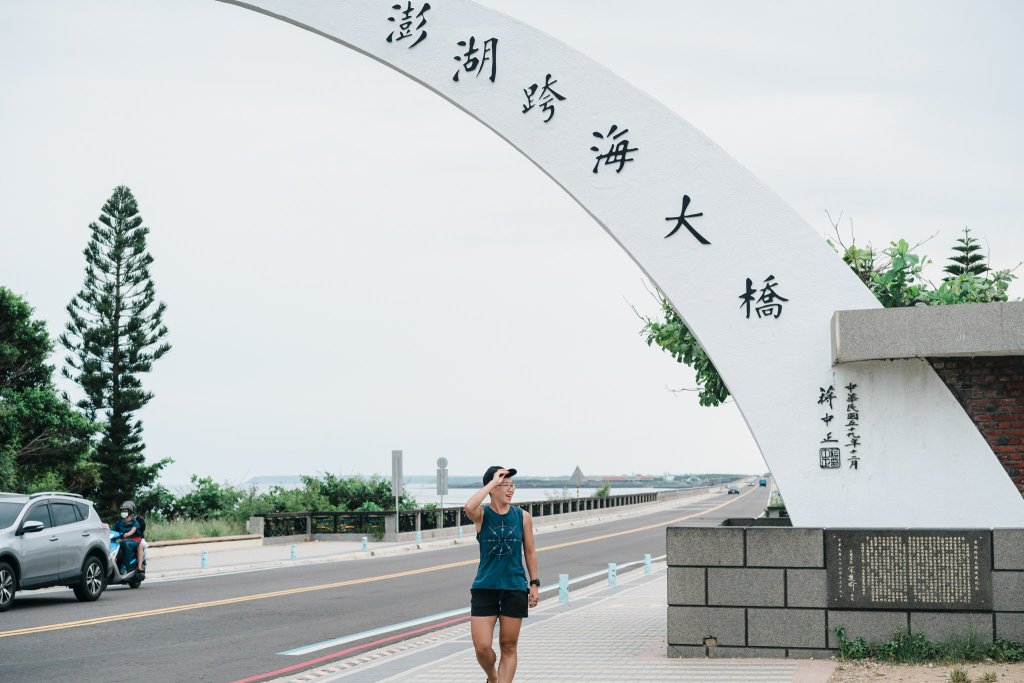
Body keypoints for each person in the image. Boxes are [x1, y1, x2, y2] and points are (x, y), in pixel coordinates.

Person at [463, 466, 540, 683]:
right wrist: (491, 482)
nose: (510, 489)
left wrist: (534, 583)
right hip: (485, 587)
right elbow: (469, 506)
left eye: (512, 485)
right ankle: (492, 676)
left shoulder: (522, 517)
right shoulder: (482, 516)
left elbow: (530, 552)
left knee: (508, 646)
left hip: (514, 587)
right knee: (482, 647)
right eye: (504, 485)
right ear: (492, 489)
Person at [112, 500, 145, 576]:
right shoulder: (119, 523)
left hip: (132, 539)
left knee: (127, 544)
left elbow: (133, 529)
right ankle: (114, 562)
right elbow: (112, 531)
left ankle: (125, 567)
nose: (123, 512)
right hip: (122, 539)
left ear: (130, 512)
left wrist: (128, 533)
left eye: (125, 511)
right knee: (114, 544)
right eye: (122, 511)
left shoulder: (134, 522)